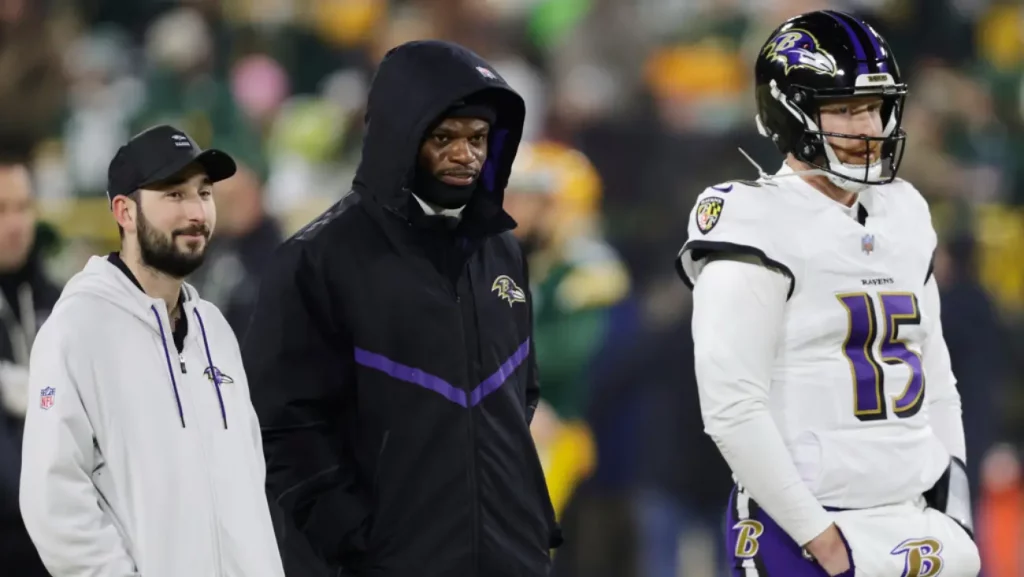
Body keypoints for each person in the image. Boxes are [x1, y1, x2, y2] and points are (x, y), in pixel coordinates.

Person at [675, 11, 981, 577]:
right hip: (806, 527)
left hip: (916, 522)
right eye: (842, 108)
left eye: (873, 107)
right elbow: (732, 408)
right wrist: (823, 540)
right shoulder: (751, 219)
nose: (867, 126)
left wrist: (955, 507)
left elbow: (937, 377)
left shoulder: (905, 210)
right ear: (789, 113)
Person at [243, 40, 560, 577]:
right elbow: (279, 430)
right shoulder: (315, 261)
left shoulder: (502, 249)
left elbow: (519, 392)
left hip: (511, 558)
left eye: (479, 138)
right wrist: (359, 539)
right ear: (399, 136)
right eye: (444, 138)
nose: (467, 155)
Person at [19, 125, 286, 577]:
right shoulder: (77, 329)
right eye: (174, 195)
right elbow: (53, 500)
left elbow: (248, 490)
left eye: (203, 193)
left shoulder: (214, 330)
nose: (197, 211)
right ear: (124, 211)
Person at [0, 157, 59, 577]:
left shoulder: (58, 303)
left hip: (54, 538)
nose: (15, 223)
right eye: (1, 210)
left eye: (23, 207)